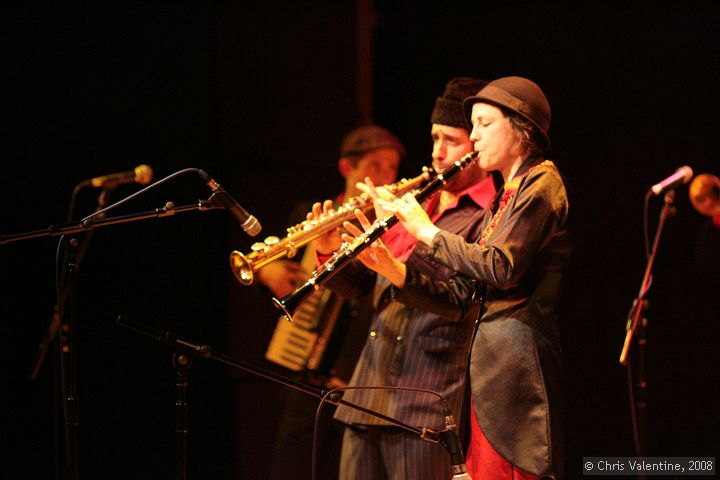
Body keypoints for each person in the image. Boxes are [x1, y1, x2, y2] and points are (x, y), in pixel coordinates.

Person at [352, 76, 571, 479]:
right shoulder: (505, 197)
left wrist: (426, 230)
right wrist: (392, 265)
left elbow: (500, 267)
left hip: (514, 372)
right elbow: (461, 291)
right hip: (487, 372)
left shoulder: (543, 182)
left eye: (484, 124)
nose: (474, 136)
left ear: (521, 127)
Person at [311, 77, 496, 479]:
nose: (438, 153)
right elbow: (361, 286)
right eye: (434, 138)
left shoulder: (491, 215)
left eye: (452, 140)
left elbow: (458, 300)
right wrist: (329, 251)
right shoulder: (417, 199)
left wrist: (401, 261)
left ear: (479, 146)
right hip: (366, 394)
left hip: (424, 407)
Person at [263, 124, 406, 480]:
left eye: (392, 168)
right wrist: (269, 273)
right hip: (303, 371)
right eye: (376, 165)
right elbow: (271, 264)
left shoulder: (397, 227)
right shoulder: (309, 214)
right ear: (348, 168)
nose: (386, 176)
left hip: (361, 380)